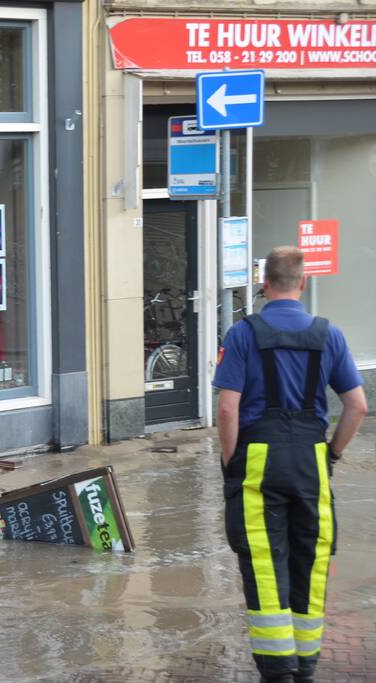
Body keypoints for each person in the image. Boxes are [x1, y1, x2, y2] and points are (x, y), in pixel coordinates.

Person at [214, 246, 368, 683]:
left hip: (258, 456)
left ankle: (276, 671)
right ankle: (305, 668)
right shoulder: (329, 334)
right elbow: (356, 406)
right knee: (311, 558)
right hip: (311, 459)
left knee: (265, 560)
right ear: (303, 283)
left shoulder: (242, 333)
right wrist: (332, 453)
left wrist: (233, 464)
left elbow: (228, 410)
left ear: (264, 283)